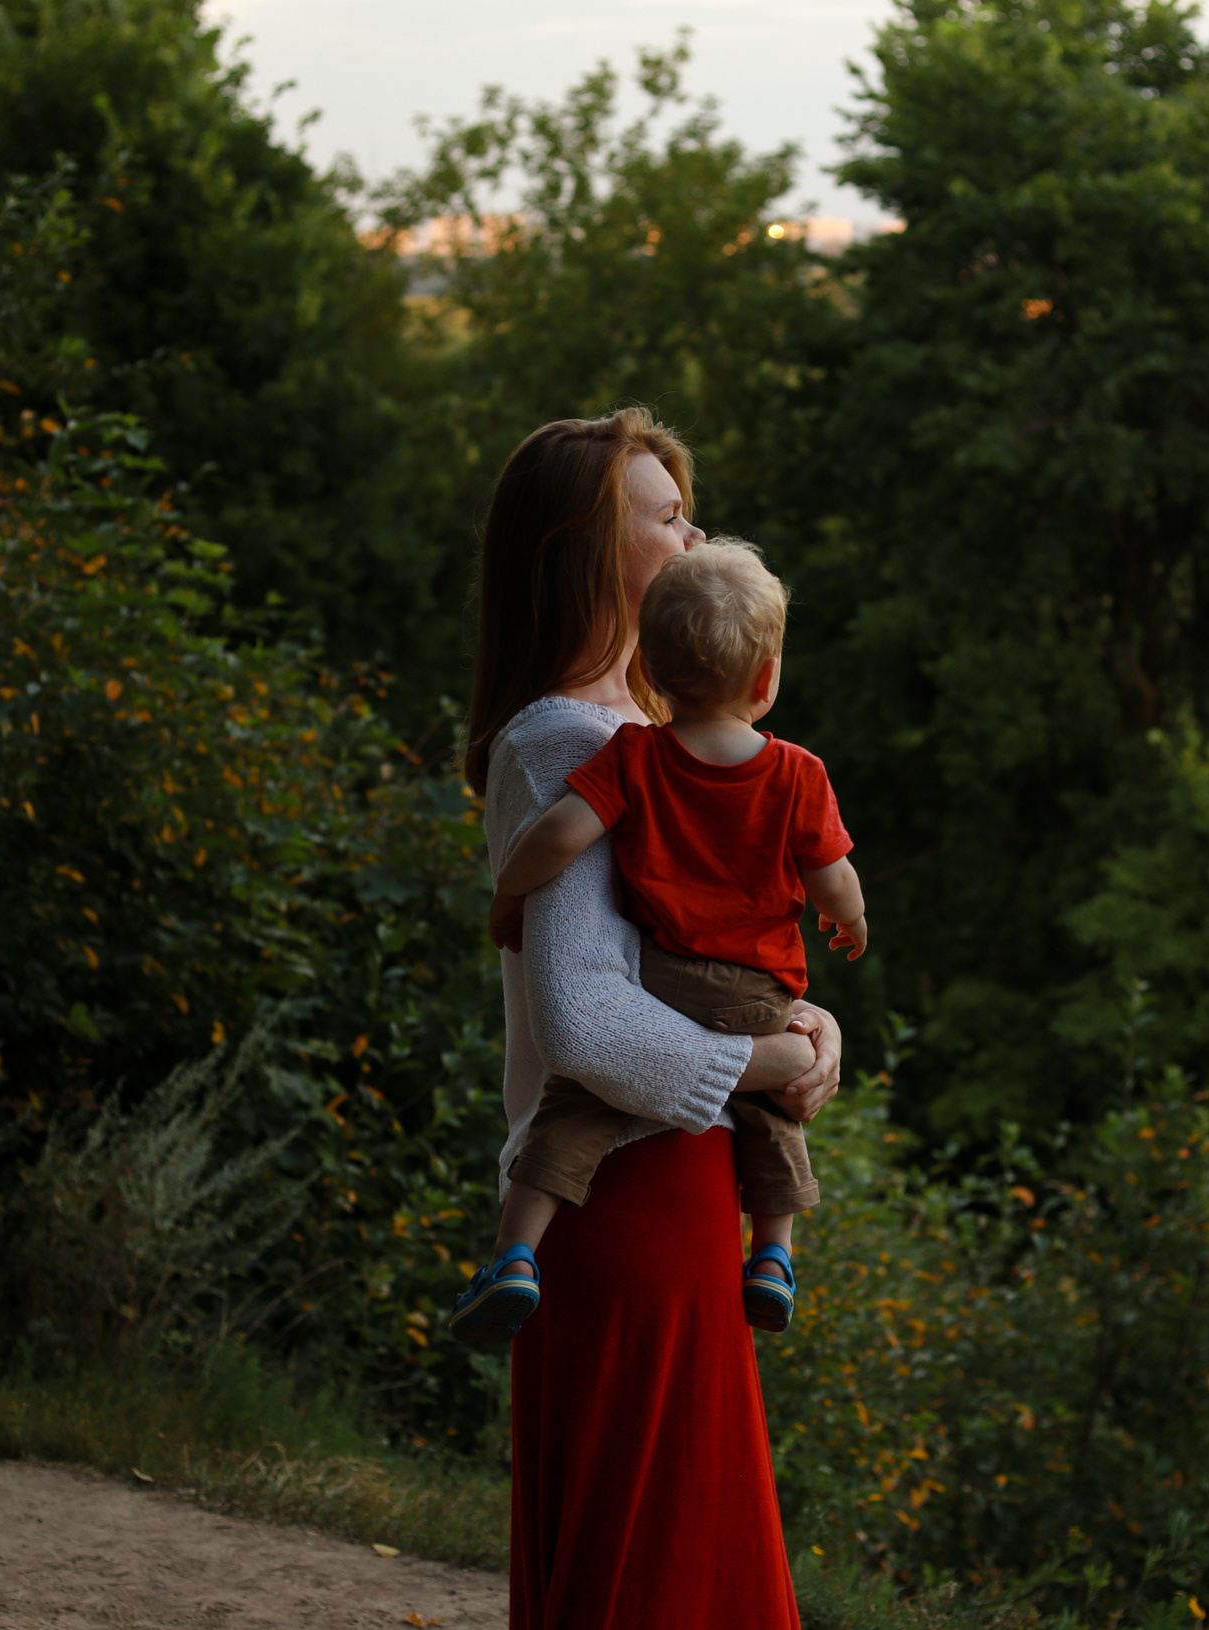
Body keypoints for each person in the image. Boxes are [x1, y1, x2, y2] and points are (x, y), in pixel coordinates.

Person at [460, 409, 836, 1630]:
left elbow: (693, 954)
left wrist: (804, 1024)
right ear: (586, 547)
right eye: (665, 515)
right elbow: (583, 1020)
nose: (695, 534)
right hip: (617, 1191)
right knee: (659, 1555)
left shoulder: (647, 742)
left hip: (671, 1183)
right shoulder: (570, 740)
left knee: (680, 1539)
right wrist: (761, 1056)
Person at [467, 539, 866, 1340]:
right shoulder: (797, 774)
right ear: (766, 679)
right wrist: (848, 919)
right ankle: (775, 1257)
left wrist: (509, 894)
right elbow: (832, 875)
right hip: (758, 990)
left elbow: (556, 839)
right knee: (773, 1118)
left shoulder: (634, 756)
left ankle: (514, 1255)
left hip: (662, 977)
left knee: (572, 1109)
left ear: (650, 666)